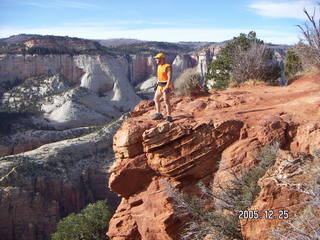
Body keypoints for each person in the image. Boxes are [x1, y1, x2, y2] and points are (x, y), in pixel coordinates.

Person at [152, 53, 173, 122]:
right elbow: (159, 76)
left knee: (166, 101)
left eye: (157, 59)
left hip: (166, 86)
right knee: (156, 99)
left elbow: (169, 77)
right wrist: (157, 84)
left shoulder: (167, 66)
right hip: (160, 85)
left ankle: (169, 116)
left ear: (162, 59)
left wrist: (167, 87)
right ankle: (159, 113)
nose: (156, 60)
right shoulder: (159, 66)